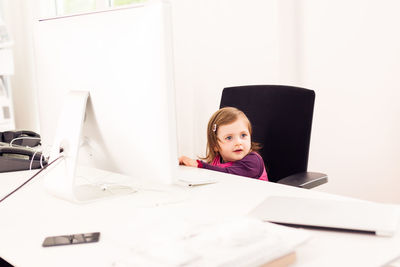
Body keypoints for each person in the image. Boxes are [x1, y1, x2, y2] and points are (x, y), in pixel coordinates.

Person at [179, 107, 268, 181]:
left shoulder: (253, 161)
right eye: (229, 138)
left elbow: (228, 176)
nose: (238, 142)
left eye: (243, 135)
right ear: (215, 145)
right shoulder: (217, 160)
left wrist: (199, 165)